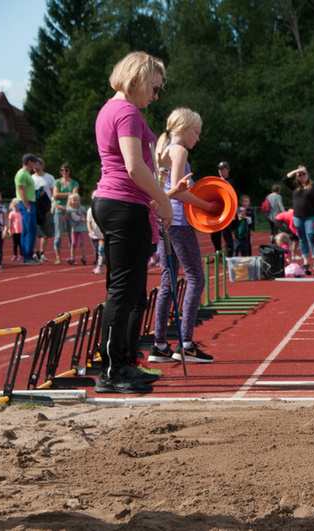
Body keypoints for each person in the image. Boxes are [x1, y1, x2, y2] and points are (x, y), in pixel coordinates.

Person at [92, 51, 176, 393]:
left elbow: (139, 163)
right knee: (123, 292)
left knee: (132, 293)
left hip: (121, 203)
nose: (155, 96)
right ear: (136, 79)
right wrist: (164, 200)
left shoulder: (114, 109)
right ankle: (112, 370)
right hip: (123, 204)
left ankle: (124, 362)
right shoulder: (126, 111)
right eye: (154, 88)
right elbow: (133, 167)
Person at [149, 107, 215, 365]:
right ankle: (186, 344)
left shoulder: (164, 148)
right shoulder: (180, 150)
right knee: (196, 278)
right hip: (178, 221)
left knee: (168, 281)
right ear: (184, 129)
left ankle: (160, 345)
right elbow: (177, 190)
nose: (198, 138)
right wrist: (207, 205)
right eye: (196, 132)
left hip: (165, 221)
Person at [283, 165, 314, 272]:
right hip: (298, 216)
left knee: (311, 237)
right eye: (299, 175)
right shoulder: (296, 186)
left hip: (311, 216)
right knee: (301, 239)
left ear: (307, 175)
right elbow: (285, 179)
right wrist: (296, 171)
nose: (302, 176)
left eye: (303, 174)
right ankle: (306, 262)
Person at [14, 153, 40, 264]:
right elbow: (21, 191)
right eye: (34, 162)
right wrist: (27, 206)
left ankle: (26, 254)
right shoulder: (21, 174)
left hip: (29, 203)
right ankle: (28, 256)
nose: (35, 164)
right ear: (29, 162)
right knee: (30, 230)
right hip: (26, 203)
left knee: (28, 230)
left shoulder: (26, 174)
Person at [52, 162, 80, 265]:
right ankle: (58, 257)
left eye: (66, 170)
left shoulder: (75, 183)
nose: (64, 172)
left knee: (71, 234)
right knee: (58, 235)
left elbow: (74, 196)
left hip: (70, 210)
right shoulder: (57, 182)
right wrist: (68, 194)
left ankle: (72, 257)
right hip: (59, 209)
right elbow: (55, 195)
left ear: (70, 171)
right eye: (62, 170)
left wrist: (63, 195)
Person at [32, 158, 55, 262]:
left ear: (42, 165)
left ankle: (42, 253)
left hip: (46, 206)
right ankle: (36, 252)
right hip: (35, 206)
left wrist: (52, 204)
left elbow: (53, 191)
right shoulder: (31, 178)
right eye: (34, 165)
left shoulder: (49, 177)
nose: (35, 167)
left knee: (45, 231)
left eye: (37, 165)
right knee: (36, 230)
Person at [210, 161, 235, 257]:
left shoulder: (230, 181)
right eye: (219, 169)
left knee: (227, 234)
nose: (220, 171)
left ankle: (229, 256)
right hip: (217, 211)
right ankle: (218, 255)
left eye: (223, 169)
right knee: (214, 235)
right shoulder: (216, 181)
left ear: (228, 169)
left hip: (226, 211)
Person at [62, 193, 88, 265]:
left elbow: (87, 215)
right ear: (70, 201)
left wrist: (85, 219)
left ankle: (84, 257)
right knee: (73, 243)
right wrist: (62, 219)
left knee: (82, 243)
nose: (75, 202)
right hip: (74, 229)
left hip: (82, 228)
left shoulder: (81, 209)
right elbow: (65, 217)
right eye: (73, 200)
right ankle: (72, 258)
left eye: (77, 200)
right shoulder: (69, 210)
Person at [87, 192, 105, 274]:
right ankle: (99, 262)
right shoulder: (90, 210)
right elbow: (89, 222)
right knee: (96, 249)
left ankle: (99, 266)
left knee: (101, 250)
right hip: (94, 235)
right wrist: (90, 231)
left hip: (102, 235)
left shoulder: (103, 209)